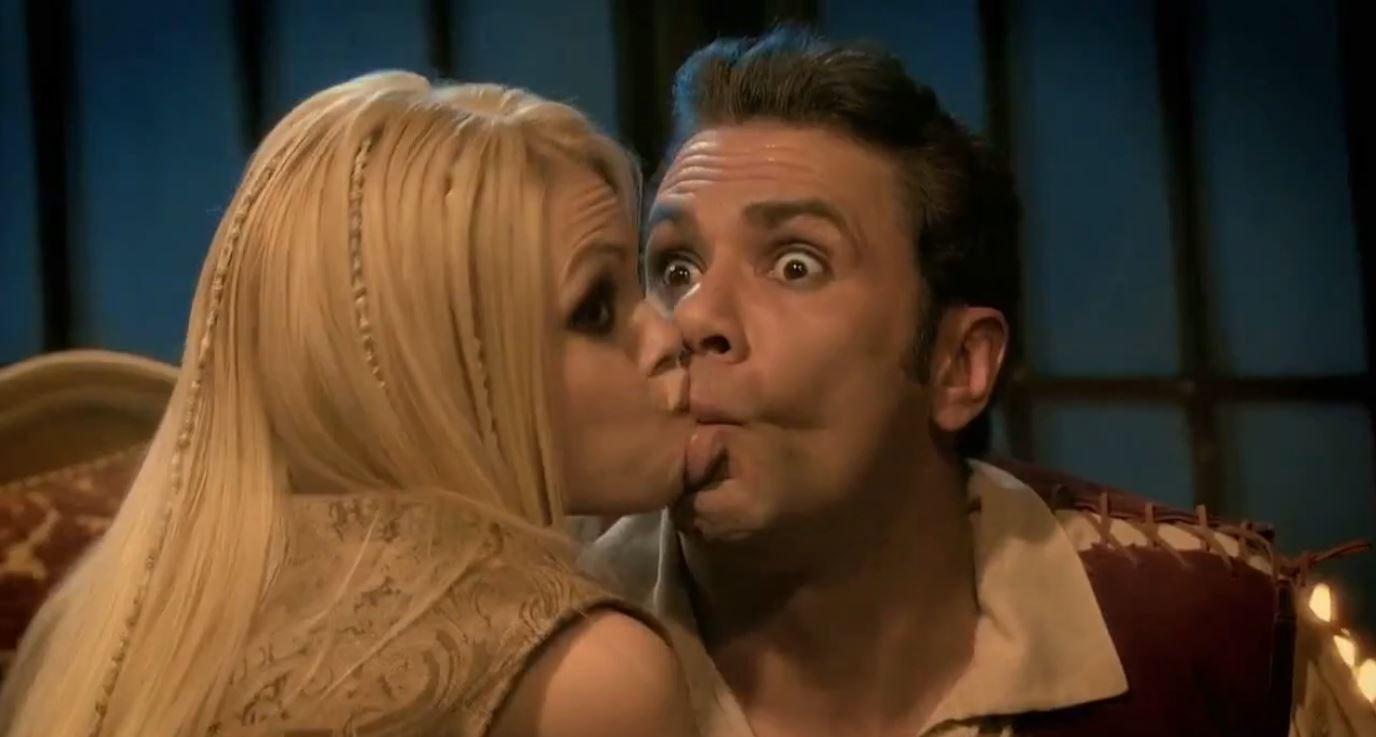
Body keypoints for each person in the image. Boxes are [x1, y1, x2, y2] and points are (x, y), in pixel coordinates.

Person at [587, 28, 1376, 737]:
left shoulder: (1208, 635)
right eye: (675, 268)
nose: (694, 318)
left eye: (797, 263)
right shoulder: (548, 641)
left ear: (959, 365)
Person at [0, 72, 699, 737]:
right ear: (435, 372)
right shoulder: (589, 674)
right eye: (596, 309)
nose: (670, 337)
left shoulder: (96, 625)